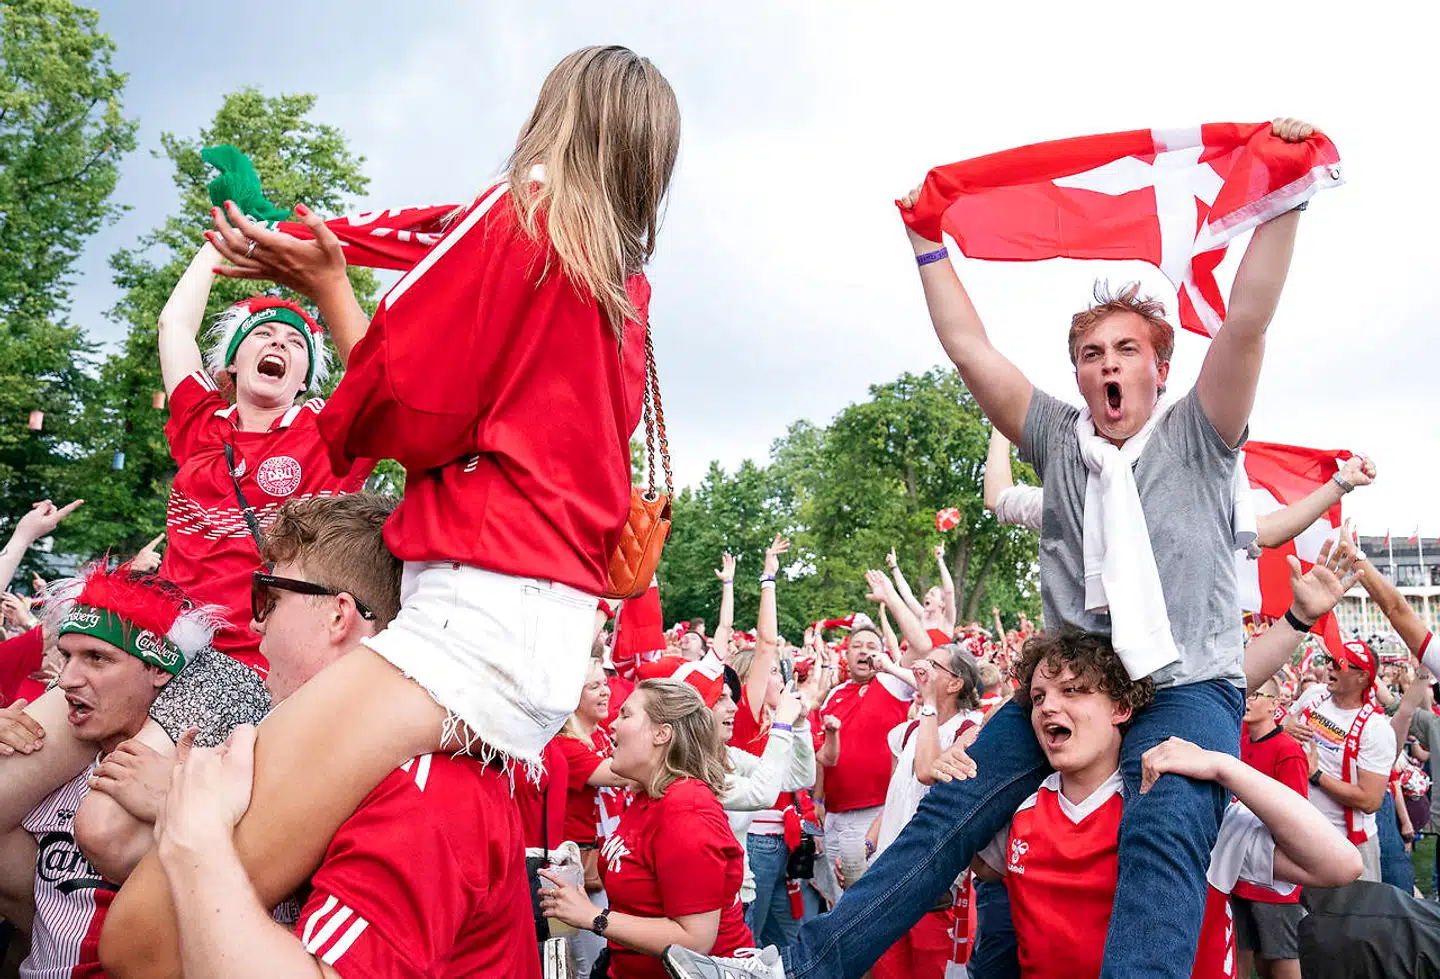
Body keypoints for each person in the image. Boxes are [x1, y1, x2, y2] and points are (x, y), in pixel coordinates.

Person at [663, 117, 1321, 979]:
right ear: (1077, 374)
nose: (1106, 366)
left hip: (1188, 683)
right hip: (1078, 680)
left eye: (1126, 350)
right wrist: (925, 242)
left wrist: (1286, 189)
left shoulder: (1200, 433)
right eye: (1090, 354)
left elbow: (1247, 324)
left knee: (1161, 833)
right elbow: (969, 349)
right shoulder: (1057, 435)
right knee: (946, 817)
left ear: (1160, 367)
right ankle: (796, 967)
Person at [101, 46, 682, 979]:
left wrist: (330, 286)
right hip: (533, 635)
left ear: (553, 116)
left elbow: (400, 417)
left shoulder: (522, 218)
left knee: (143, 931)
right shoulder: (619, 287)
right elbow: (425, 244)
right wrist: (314, 238)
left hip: (467, 628)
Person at [966, 630, 1361, 978]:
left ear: (1121, 709)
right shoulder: (1023, 809)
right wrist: (953, 770)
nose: (1048, 707)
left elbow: (1339, 863)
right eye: (1038, 697)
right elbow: (978, 869)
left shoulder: (1174, 803)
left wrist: (1225, 767)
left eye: (1072, 691)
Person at [1, 562, 243, 979]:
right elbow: (31, 929)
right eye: (67, 656)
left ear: (160, 669)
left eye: (97, 658)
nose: (67, 680)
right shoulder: (48, 781)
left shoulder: (209, 782)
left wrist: (175, 808)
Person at [156, 242, 375, 676]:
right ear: (233, 361)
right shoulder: (200, 420)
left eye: (296, 342)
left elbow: (376, 371)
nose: (279, 341)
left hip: (260, 662)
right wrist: (219, 239)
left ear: (304, 378)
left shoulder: (327, 431)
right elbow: (174, 325)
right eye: (262, 333)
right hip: (163, 644)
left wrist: (331, 282)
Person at [540, 679, 752, 979]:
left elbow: (695, 940)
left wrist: (593, 917)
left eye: (626, 715)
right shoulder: (648, 796)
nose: (612, 725)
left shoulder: (687, 810)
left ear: (662, 734)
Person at [983, 427, 1378, 550]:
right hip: (1087, 673)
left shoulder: (1185, 505)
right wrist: (1001, 425)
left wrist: (1340, 484)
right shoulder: (1078, 501)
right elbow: (998, 500)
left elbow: (1270, 531)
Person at [869, 645, 983, 979]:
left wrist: (929, 704)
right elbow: (896, 800)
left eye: (934, 665)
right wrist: (868, 845)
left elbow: (927, 771)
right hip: (887, 878)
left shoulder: (971, 730)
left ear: (955, 683)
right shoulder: (904, 733)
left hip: (932, 889)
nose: (922, 668)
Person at [814, 623, 914, 906]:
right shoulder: (834, 695)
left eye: (872, 646)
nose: (864, 652)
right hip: (834, 815)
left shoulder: (891, 684)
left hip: (875, 814)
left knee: (867, 901)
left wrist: (888, 599)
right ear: (845, 654)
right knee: (838, 901)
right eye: (857, 646)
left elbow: (920, 644)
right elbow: (823, 753)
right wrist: (818, 798)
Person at [1285, 639, 1395, 881]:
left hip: (1348, 844)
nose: (1330, 667)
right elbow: (1284, 723)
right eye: (1329, 661)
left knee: (1354, 917)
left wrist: (1316, 776)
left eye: (1339, 663)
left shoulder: (1376, 729)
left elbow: (1370, 800)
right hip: (1299, 831)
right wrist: (1284, 725)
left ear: (1362, 678)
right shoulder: (1314, 694)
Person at [554, 656, 635, 979]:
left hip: (607, 862)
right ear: (572, 695)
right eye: (594, 686)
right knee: (589, 963)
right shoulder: (566, 744)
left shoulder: (602, 736)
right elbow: (620, 775)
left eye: (605, 684)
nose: (605, 693)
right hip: (580, 872)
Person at [1234, 678, 1310, 979]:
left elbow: (1294, 817)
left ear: (1274, 705)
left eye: (1256, 694)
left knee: (1281, 958)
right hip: (1238, 870)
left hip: (1273, 873)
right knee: (1242, 951)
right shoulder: (1239, 743)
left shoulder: (1287, 750)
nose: (1248, 700)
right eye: (1245, 694)